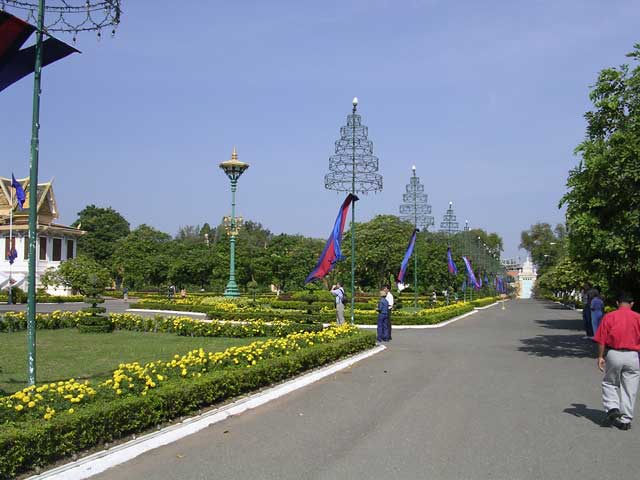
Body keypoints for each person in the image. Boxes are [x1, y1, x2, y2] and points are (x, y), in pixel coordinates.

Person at [593, 292, 640, 430]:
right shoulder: (638, 318)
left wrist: (600, 356)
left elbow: (601, 339)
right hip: (633, 355)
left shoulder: (609, 316)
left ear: (617, 303)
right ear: (632, 304)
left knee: (609, 383)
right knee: (630, 388)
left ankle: (613, 408)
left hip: (614, 353)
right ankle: (625, 421)